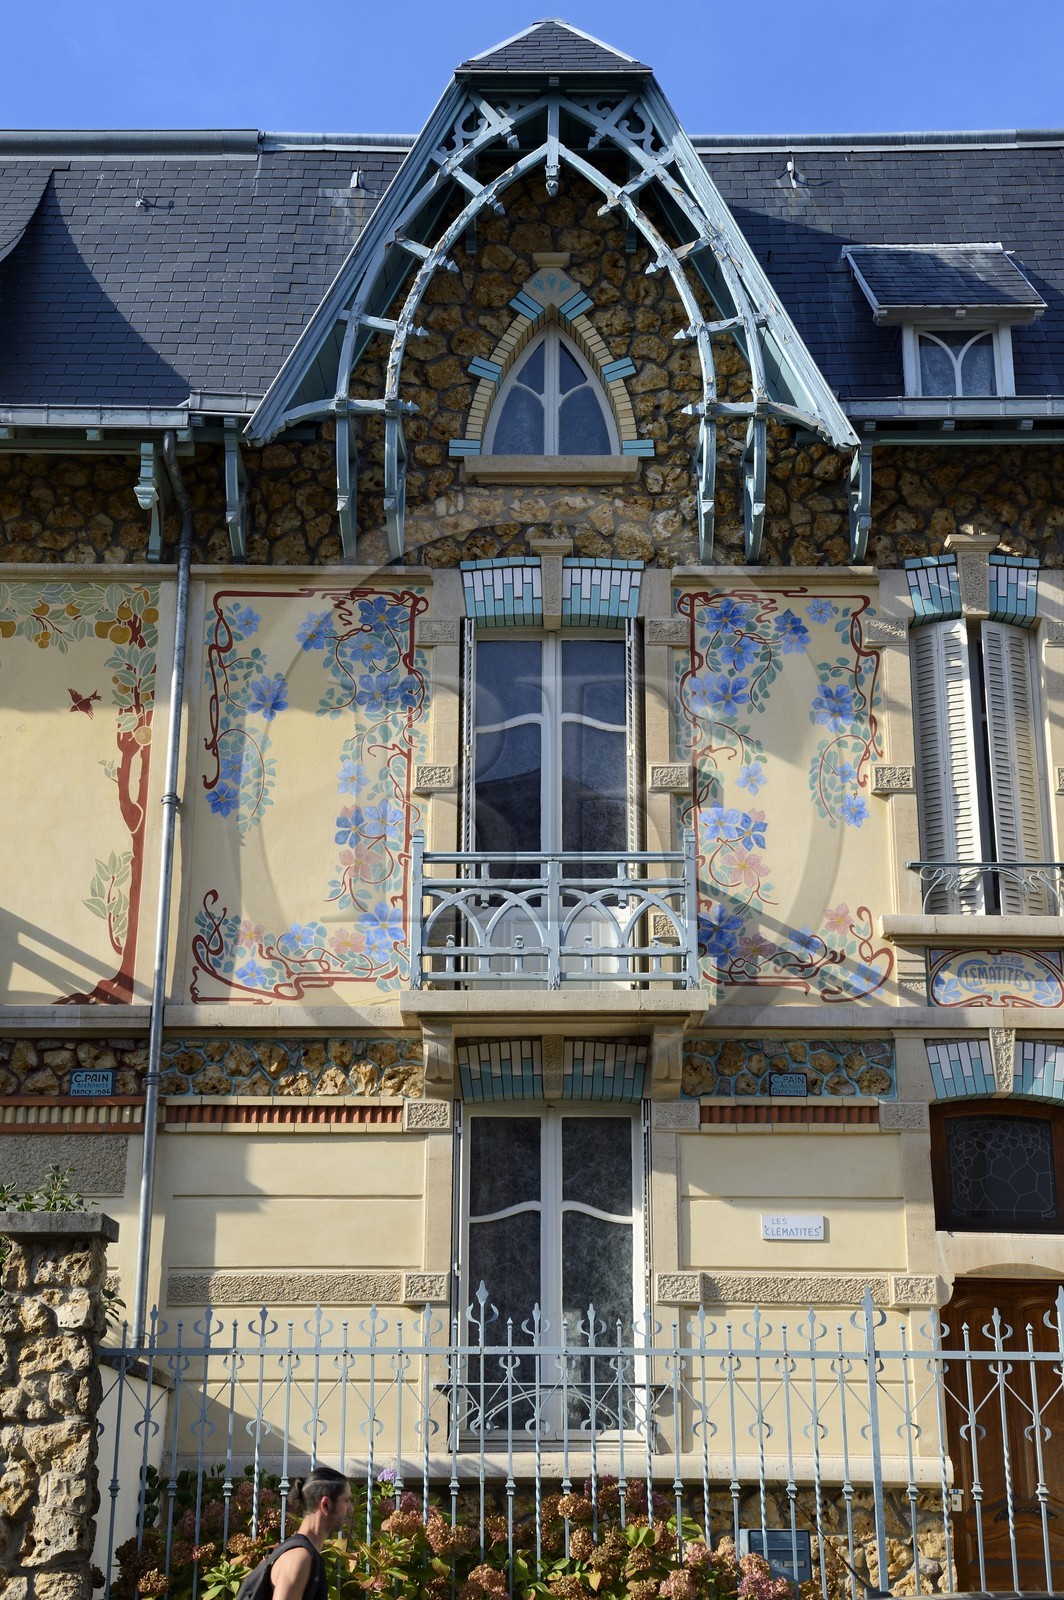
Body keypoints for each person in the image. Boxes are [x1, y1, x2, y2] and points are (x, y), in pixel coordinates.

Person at [268, 1467, 352, 1600]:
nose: (351, 1509)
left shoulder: (306, 1554)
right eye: (346, 1501)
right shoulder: (299, 1558)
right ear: (325, 1505)